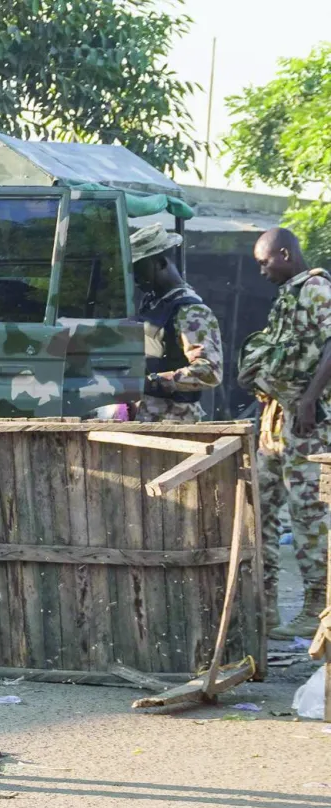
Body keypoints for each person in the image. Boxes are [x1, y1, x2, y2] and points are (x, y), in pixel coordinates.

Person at [238, 227, 331, 639]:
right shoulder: (287, 295)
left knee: (308, 514)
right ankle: (267, 604)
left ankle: (318, 606)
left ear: (284, 253)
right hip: (275, 419)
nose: (262, 271)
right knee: (262, 510)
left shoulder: (314, 288)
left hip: (307, 421)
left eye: (264, 262)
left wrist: (310, 398)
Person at [130, 224, 223, 423]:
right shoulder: (153, 304)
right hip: (146, 418)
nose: (135, 278)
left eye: (139, 269)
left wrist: (155, 382)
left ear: (161, 263)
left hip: (174, 421)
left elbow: (209, 371)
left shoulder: (190, 311)